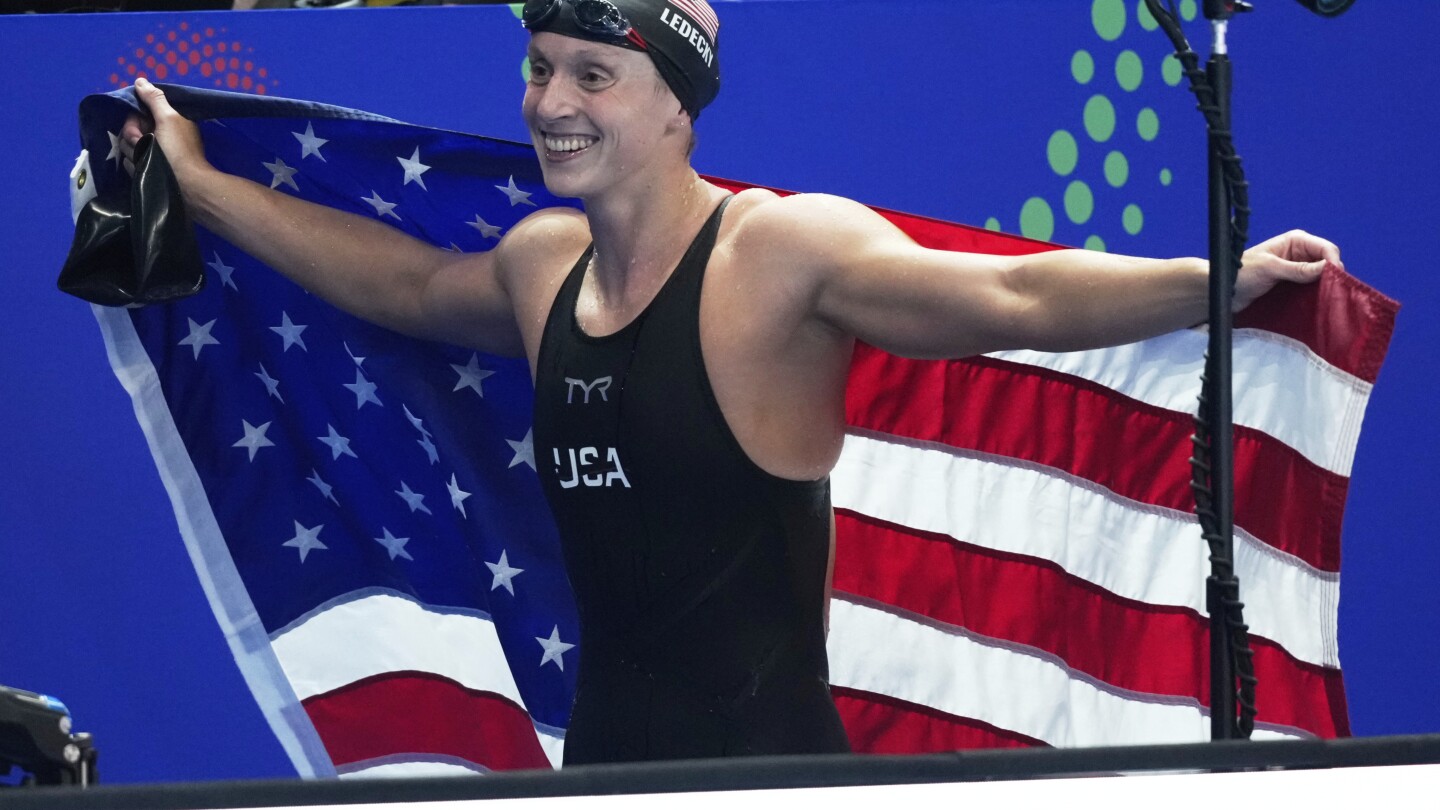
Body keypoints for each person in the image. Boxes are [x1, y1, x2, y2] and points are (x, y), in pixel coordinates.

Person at [119, 0, 1343, 765]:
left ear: (676, 104)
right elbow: (401, 285)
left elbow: (1012, 298)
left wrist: (1217, 281)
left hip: (773, 776)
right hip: (601, 768)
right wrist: (202, 188)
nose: (551, 104)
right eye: (540, 69)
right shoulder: (543, 267)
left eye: (592, 76)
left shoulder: (779, 256)